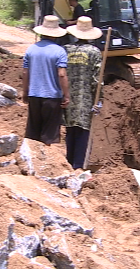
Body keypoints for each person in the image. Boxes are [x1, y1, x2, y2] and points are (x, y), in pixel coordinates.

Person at [22, 15, 70, 146]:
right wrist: (66, 95)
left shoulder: (31, 49)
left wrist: (25, 92)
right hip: (52, 97)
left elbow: (25, 72)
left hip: (34, 95)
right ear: (56, 34)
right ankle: (46, 161)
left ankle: (31, 159)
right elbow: (61, 74)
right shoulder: (60, 51)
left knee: (33, 132)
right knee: (50, 135)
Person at [63, 16, 103, 169]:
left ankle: (69, 164)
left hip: (68, 99)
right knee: (83, 133)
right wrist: (99, 100)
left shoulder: (66, 50)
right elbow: (97, 80)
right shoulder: (94, 52)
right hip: (85, 101)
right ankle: (78, 167)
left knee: (70, 131)